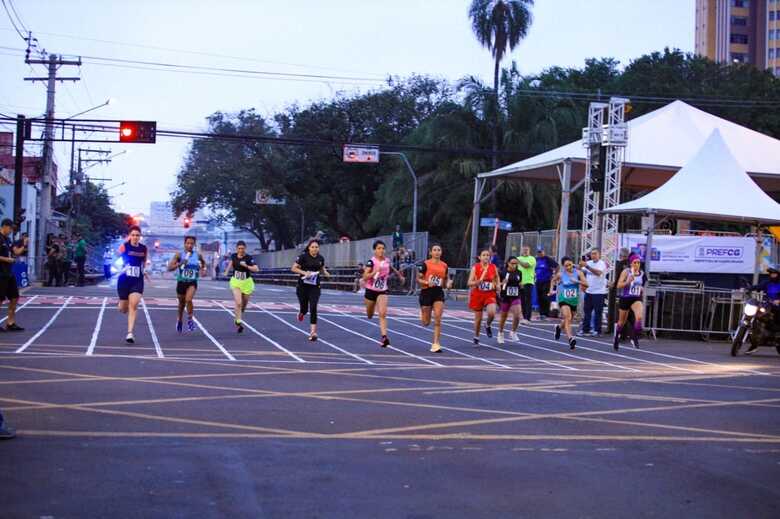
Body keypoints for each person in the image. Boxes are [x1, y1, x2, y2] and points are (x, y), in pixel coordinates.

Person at [363, 240, 405, 348]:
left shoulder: (387, 260)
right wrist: (374, 272)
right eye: (379, 248)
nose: (381, 250)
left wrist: (399, 276)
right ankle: (370, 311)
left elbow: (391, 268)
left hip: (382, 290)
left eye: (383, 248)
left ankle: (384, 337)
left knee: (382, 313)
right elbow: (365, 277)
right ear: (374, 250)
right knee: (370, 314)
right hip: (371, 290)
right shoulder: (371, 262)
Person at [116, 226, 150, 343]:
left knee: (134, 305)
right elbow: (116, 258)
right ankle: (120, 303)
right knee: (123, 308)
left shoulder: (143, 248)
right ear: (130, 236)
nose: (135, 237)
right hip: (124, 280)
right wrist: (121, 265)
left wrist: (144, 271)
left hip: (137, 280)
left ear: (140, 236)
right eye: (133, 235)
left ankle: (130, 333)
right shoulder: (124, 246)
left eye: (137, 235)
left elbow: (144, 262)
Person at [292, 239, 331, 341]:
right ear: (309, 248)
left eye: (316, 247)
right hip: (302, 286)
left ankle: (313, 332)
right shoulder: (303, 257)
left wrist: (326, 274)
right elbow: (293, 268)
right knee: (304, 308)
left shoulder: (321, 258)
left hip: (315, 287)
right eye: (312, 247)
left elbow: (322, 268)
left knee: (313, 307)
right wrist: (305, 273)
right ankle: (301, 312)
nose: (314, 249)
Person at [417, 243, 452, 353]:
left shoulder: (444, 265)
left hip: (438, 293)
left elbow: (446, 280)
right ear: (430, 252)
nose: (437, 252)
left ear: (441, 252)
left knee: (438, 318)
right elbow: (419, 280)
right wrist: (427, 282)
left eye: (439, 250)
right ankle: (422, 313)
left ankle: (436, 343)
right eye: (435, 250)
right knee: (426, 322)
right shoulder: (425, 264)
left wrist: (449, 284)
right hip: (426, 292)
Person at [168, 235, 206, 333]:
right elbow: (169, 268)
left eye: (191, 243)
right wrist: (179, 264)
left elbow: (203, 263)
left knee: (188, 299)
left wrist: (203, 270)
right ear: (184, 244)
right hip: (181, 282)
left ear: (194, 244)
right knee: (181, 304)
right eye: (188, 243)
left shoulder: (198, 255)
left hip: (192, 282)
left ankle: (190, 320)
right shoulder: (179, 255)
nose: (189, 245)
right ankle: (180, 320)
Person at [551, 257, 587, 350]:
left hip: (574, 300)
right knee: (567, 317)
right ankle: (571, 339)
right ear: (563, 266)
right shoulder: (561, 274)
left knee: (569, 320)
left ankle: (559, 327)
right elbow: (553, 280)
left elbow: (586, 284)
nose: (568, 267)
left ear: (572, 264)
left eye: (570, 265)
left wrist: (577, 281)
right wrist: (551, 290)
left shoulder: (578, 273)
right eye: (566, 265)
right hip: (563, 298)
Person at [225, 240, 260, 333]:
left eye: (242, 248)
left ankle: (237, 317)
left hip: (247, 283)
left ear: (245, 249)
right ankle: (238, 321)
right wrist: (226, 271)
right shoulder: (233, 256)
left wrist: (247, 266)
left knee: (243, 305)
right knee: (238, 302)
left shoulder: (249, 258)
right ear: (237, 249)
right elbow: (231, 263)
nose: (241, 250)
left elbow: (256, 269)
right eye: (239, 248)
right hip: (236, 281)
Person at [467, 249, 500, 346]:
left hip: (490, 294)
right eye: (484, 255)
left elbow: (497, 278)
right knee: (478, 319)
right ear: (480, 257)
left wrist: (498, 285)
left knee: (492, 312)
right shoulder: (475, 268)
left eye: (488, 255)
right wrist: (477, 282)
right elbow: (469, 283)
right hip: (478, 294)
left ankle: (488, 324)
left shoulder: (493, 267)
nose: (486, 257)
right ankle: (476, 336)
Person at [614, 254, 646, 351]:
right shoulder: (626, 272)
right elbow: (619, 285)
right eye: (635, 263)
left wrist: (642, 288)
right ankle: (616, 338)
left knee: (639, 317)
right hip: (625, 298)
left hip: (636, 298)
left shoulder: (642, 274)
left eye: (638, 263)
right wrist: (627, 282)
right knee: (621, 322)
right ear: (631, 263)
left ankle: (634, 337)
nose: (637, 265)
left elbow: (643, 286)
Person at [746, 265, 780, 354]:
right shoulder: (767, 282)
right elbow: (758, 286)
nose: (772, 275)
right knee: (757, 315)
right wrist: (748, 288)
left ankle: (776, 335)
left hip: (778, 308)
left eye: (774, 273)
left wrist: (778, 301)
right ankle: (754, 344)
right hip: (767, 305)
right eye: (771, 273)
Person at [0, 220, 25, 332]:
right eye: (10, 229)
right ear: (5, 226)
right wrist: (7, 259)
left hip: (9, 273)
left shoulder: (8, 240)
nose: (10, 231)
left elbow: (16, 252)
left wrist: (24, 244)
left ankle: (10, 322)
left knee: (14, 297)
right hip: (0, 273)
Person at [579, 248, 608, 337]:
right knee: (587, 311)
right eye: (592, 254)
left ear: (599, 255)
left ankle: (597, 330)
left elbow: (598, 273)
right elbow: (581, 270)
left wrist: (587, 266)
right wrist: (573, 265)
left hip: (599, 292)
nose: (593, 255)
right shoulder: (589, 263)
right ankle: (585, 329)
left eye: (595, 253)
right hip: (589, 291)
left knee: (598, 312)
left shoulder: (601, 264)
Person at [497, 257, 523, 344]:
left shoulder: (519, 272)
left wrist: (521, 285)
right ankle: (500, 333)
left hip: (516, 295)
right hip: (505, 296)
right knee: (504, 316)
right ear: (508, 263)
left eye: (516, 264)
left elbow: (520, 283)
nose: (514, 265)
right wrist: (501, 283)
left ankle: (513, 332)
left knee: (518, 314)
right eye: (512, 263)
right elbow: (497, 284)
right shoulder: (503, 272)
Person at [534, 246, 558, 321]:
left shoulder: (548, 259)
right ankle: (541, 313)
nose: (540, 253)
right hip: (538, 281)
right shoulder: (536, 259)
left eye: (541, 252)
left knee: (545, 297)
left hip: (547, 281)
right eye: (538, 252)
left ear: (544, 252)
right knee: (540, 297)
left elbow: (557, 266)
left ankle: (546, 313)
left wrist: (554, 274)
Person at [517, 245, 537, 323]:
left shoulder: (532, 259)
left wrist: (518, 261)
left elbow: (526, 265)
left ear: (529, 251)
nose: (525, 251)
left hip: (529, 281)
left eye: (527, 250)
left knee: (528, 300)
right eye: (524, 250)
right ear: (521, 250)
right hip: (520, 282)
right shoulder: (518, 258)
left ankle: (528, 317)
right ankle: (524, 316)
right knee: (522, 300)